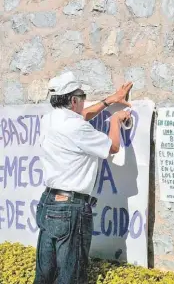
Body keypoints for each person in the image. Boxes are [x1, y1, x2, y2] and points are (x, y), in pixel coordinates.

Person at [33, 71, 133, 284]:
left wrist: (109, 101)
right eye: (83, 96)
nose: (85, 100)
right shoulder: (76, 127)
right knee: (72, 276)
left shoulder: (49, 119)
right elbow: (112, 147)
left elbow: (82, 117)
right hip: (70, 209)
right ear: (74, 100)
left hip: (48, 204)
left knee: (45, 275)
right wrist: (115, 120)